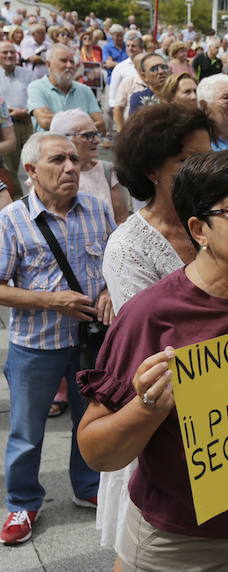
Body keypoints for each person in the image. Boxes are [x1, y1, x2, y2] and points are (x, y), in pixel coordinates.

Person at [75, 150, 228, 568]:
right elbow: (98, 451)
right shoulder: (151, 316)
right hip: (182, 537)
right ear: (200, 229)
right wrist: (148, 406)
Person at [94, 103, 212, 556]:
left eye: (208, 155)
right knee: (152, 548)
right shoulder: (128, 248)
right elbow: (153, 345)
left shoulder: (217, 219)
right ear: (153, 171)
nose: (204, 169)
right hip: (163, 414)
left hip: (227, 408)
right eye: (187, 161)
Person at [0, 132, 115, 545]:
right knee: (27, 431)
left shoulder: (98, 210)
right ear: (31, 171)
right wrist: (50, 301)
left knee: (91, 421)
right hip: (36, 344)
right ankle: (22, 501)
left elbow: (114, 261)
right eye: (57, 160)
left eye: (72, 159)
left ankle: (88, 488)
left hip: (91, 342)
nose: (70, 167)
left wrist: (106, 291)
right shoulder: (11, 220)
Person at [48, 110, 128, 223]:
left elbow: (121, 219)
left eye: (96, 134)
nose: (97, 140)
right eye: (88, 135)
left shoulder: (107, 171)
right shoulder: (47, 175)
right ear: (65, 139)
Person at [27, 44, 103, 133]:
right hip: (49, 145)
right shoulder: (37, 87)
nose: (69, 65)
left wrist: (58, 120)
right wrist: (85, 122)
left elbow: (101, 124)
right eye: (63, 61)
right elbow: (45, 121)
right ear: (48, 64)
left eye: (72, 61)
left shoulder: (85, 90)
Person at [0, 40, 34, 196]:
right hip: (4, 129)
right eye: (5, 52)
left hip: (26, 123)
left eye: (12, 52)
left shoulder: (28, 74)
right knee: (10, 169)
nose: (9, 55)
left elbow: (35, 100)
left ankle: (37, 197)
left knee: (35, 164)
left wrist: (25, 111)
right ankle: (17, 201)